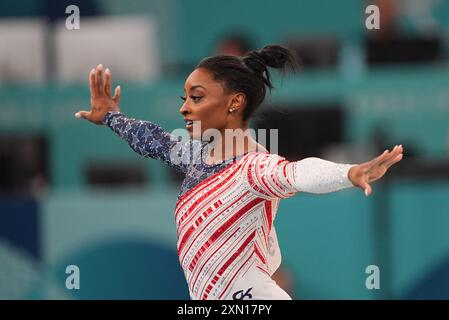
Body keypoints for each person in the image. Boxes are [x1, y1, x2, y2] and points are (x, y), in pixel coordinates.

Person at [74, 45, 404, 300]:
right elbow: (152, 140)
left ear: (234, 103)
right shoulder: (195, 156)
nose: (183, 107)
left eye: (196, 97)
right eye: (184, 97)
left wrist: (348, 174)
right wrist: (111, 117)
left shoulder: (253, 168)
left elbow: (298, 173)